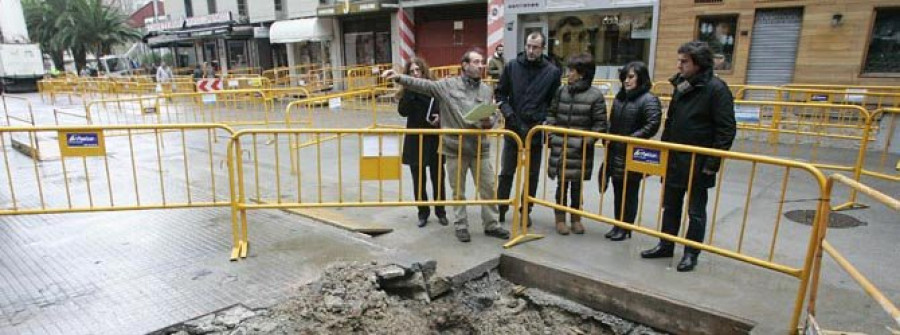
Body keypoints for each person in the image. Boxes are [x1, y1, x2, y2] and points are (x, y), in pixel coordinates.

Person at [383, 49, 510, 243]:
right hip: (455, 148)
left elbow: (491, 117)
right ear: (464, 65)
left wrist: (488, 121)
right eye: (476, 62)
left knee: (488, 188)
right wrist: (399, 77)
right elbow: (422, 84)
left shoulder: (485, 89)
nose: (480, 65)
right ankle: (461, 226)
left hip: (479, 148)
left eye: (481, 62)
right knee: (457, 191)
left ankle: (491, 224)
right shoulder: (447, 86)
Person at [640, 41, 736, 272]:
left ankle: (691, 253)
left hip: (699, 162)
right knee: (670, 206)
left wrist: (712, 164)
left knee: (695, 211)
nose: (678, 65)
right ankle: (666, 245)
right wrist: (664, 152)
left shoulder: (716, 89)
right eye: (679, 60)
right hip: (675, 159)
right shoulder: (681, 85)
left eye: (684, 61)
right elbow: (671, 122)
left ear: (698, 63)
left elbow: (726, 130)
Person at [495, 31, 562, 225]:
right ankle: (501, 207)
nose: (531, 50)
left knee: (532, 174)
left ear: (542, 48)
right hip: (513, 128)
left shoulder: (552, 72)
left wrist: (544, 120)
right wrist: (508, 113)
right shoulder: (512, 67)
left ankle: (526, 209)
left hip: (535, 131)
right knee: (507, 171)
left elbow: (553, 103)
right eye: (528, 46)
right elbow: (500, 93)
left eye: (535, 47)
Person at [545, 53, 608, 235]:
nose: (568, 74)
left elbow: (600, 124)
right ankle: (560, 219)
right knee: (562, 185)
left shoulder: (595, 96)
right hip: (560, 146)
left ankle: (576, 217)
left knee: (577, 186)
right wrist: (551, 134)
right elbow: (552, 113)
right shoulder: (561, 91)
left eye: (572, 70)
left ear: (582, 73)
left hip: (580, 150)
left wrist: (585, 142)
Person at [602, 61, 662, 241]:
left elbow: (652, 124)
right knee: (617, 191)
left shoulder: (649, 99)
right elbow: (611, 121)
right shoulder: (621, 98)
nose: (627, 81)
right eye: (625, 77)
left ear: (640, 78)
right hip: (615, 152)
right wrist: (608, 135)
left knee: (630, 193)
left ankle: (626, 227)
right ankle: (617, 224)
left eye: (631, 77)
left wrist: (632, 139)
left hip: (633, 153)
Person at [396, 57, 449, 228]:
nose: (415, 74)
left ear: (424, 71)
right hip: (415, 139)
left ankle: (441, 212)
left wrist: (439, 118)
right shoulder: (407, 91)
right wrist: (410, 90)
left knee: (438, 176)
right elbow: (403, 112)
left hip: (433, 137)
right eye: (411, 72)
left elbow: (443, 108)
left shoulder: (433, 88)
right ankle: (423, 212)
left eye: (418, 70)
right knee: (418, 179)